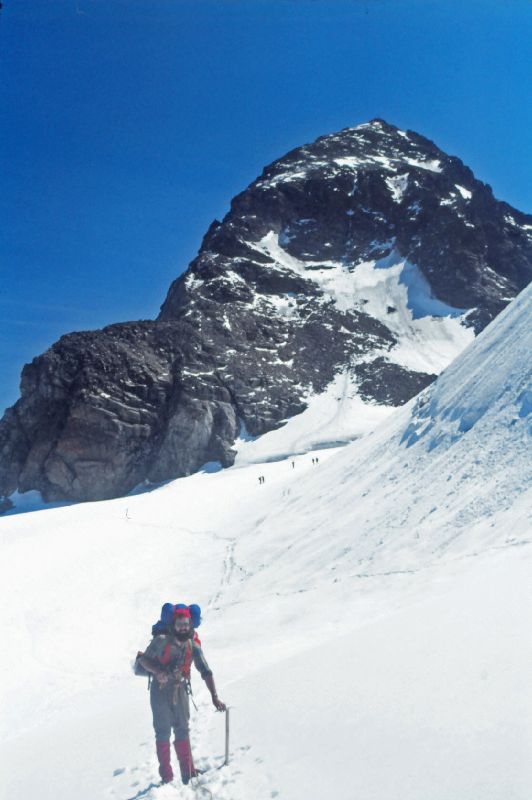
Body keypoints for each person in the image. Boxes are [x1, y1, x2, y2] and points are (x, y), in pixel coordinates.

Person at [138, 607, 226, 785]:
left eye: (186, 624)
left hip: (181, 690)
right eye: (180, 625)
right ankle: (167, 777)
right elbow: (142, 660)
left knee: (182, 730)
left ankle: (188, 773)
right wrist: (157, 671)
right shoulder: (161, 641)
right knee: (162, 732)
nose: (184, 628)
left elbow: (205, 671)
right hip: (160, 691)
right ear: (173, 625)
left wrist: (214, 696)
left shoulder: (192, 645)